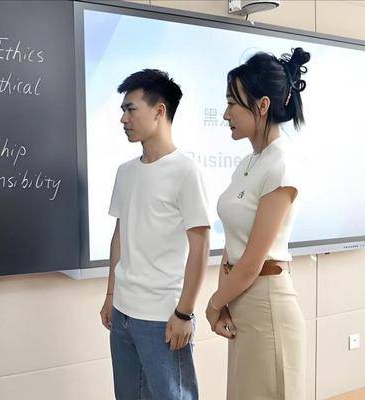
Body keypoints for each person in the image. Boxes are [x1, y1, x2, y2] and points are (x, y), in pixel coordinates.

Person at [206, 47, 311, 399]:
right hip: (242, 305)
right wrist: (224, 301)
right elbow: (233, 246)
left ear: (262, 105)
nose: (226, 114)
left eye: (232, 104)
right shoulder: (248, 163)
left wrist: (214, 303)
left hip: (267, 308)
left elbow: (253, 260)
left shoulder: (281, 165)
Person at [100, 69, 211, 399]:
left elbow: (201, 245)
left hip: (163, 317)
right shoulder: (125, 172)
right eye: (123, 110)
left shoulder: (185, 171)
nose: (123, 119)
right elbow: (120, 236)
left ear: (159, 110)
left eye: (130, 109)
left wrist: (184, 312)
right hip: (123, 313)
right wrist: (110, 294)